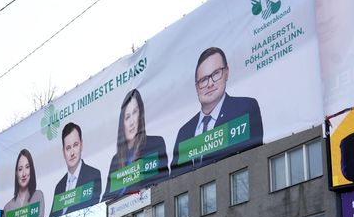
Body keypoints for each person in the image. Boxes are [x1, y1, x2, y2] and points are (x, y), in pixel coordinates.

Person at [170, 47, 263, 177]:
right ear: (197, 87)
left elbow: (255, 159)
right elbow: (174, 180)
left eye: (215, 74)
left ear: (226, 72)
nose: (210, 84)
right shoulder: (184, 132)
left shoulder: (245, 109)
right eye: (203, 80)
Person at [102, 89, 169, 201]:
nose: (132, 122)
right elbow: (108, 198)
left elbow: (164, 184)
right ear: (122, 122)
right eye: (127, 117)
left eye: (135, 112)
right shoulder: (116, 160)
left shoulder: (156, 144)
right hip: (120, 214)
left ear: (141, 114)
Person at [49, 123, 102, 217]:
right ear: (63, 152)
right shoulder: (59, 187)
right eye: (68, 148)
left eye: (75, 145)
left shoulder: (93, 175)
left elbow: (92, 213)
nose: (72, 153)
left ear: (81, 145)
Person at [3, 149, 45, 217]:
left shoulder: (38, 196)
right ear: (16, 173)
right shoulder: (7, 207)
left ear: (31, 169)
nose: (24, 174)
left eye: (27, 167)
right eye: (20, 169)